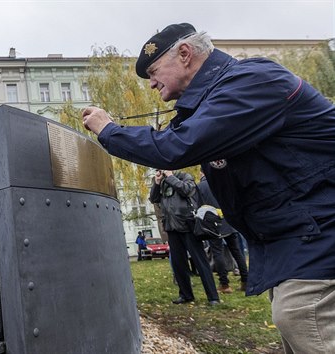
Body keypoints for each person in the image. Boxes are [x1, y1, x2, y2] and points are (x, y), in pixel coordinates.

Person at [82, 22, 335, 353]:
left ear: (185, 54)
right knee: (297, 325)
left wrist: (109, 129)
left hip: (320, 232)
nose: (152, 84)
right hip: (296, 237)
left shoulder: (253, 81)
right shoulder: (216, 99)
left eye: (154, 72)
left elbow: (176, 147)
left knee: (304, 315)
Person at [149, 169, 219, 305]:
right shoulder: (162, 181)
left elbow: (187, 190)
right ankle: (186, 294)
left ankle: (213, 296)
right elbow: (154, 199)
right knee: (178, 263)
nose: (160, 171)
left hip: (188, 225)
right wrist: (157, 184)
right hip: (171, 226)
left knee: (200, 261)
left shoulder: (184, 176)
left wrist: (170, 177)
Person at [196, 172, 248, 293]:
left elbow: (199, 206)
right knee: (237, 251)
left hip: (213, 224)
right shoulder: (223, 181)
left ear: (201, 173)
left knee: (217, 253)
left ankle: (224, 284)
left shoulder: (200, 186)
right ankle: (246, 280)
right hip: (229, 221)